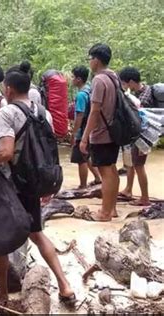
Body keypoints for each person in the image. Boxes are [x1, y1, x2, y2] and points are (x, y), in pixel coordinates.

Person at [0, 63, 75, 307]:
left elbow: (5, 152)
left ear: (9, 89)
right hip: (34, 182)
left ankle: (2, 294)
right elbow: (50, 150)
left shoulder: (8, 112)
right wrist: (49, 186)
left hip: (10, 183)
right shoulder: (42, 112)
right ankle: (65, 286)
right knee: (36, 233)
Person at [80, 44, 120, 221]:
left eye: (90, 58)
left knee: (105, 172)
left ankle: (104, 213)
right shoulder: (114, 77)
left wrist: (84, 137)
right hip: (115, 131)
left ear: (96, 59)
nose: (89, 62)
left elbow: (95, 111)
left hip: (102, 133)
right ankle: (112, 209)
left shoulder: (98, 80)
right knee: (112, 170)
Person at [118, 67, 152, 206]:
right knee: (131, 164)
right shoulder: (140, 92)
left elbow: (139, 117)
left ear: (131, 82)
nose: (125, 86)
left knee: (139, 165)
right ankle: (128, 190)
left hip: (143, 136)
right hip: (136, 135)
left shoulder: (144, 95)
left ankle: (145, 198)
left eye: (125, 83)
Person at [70, 65, 101, 189]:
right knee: (86, 155)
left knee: (80, 159)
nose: (71, 79)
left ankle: (82, 186)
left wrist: (74, 133)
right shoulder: (89, 90)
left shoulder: (81, 95)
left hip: (83, 130)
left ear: (78, 79)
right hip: (91, 129)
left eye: (72, 76)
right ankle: (98, 178)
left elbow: (80, 116)